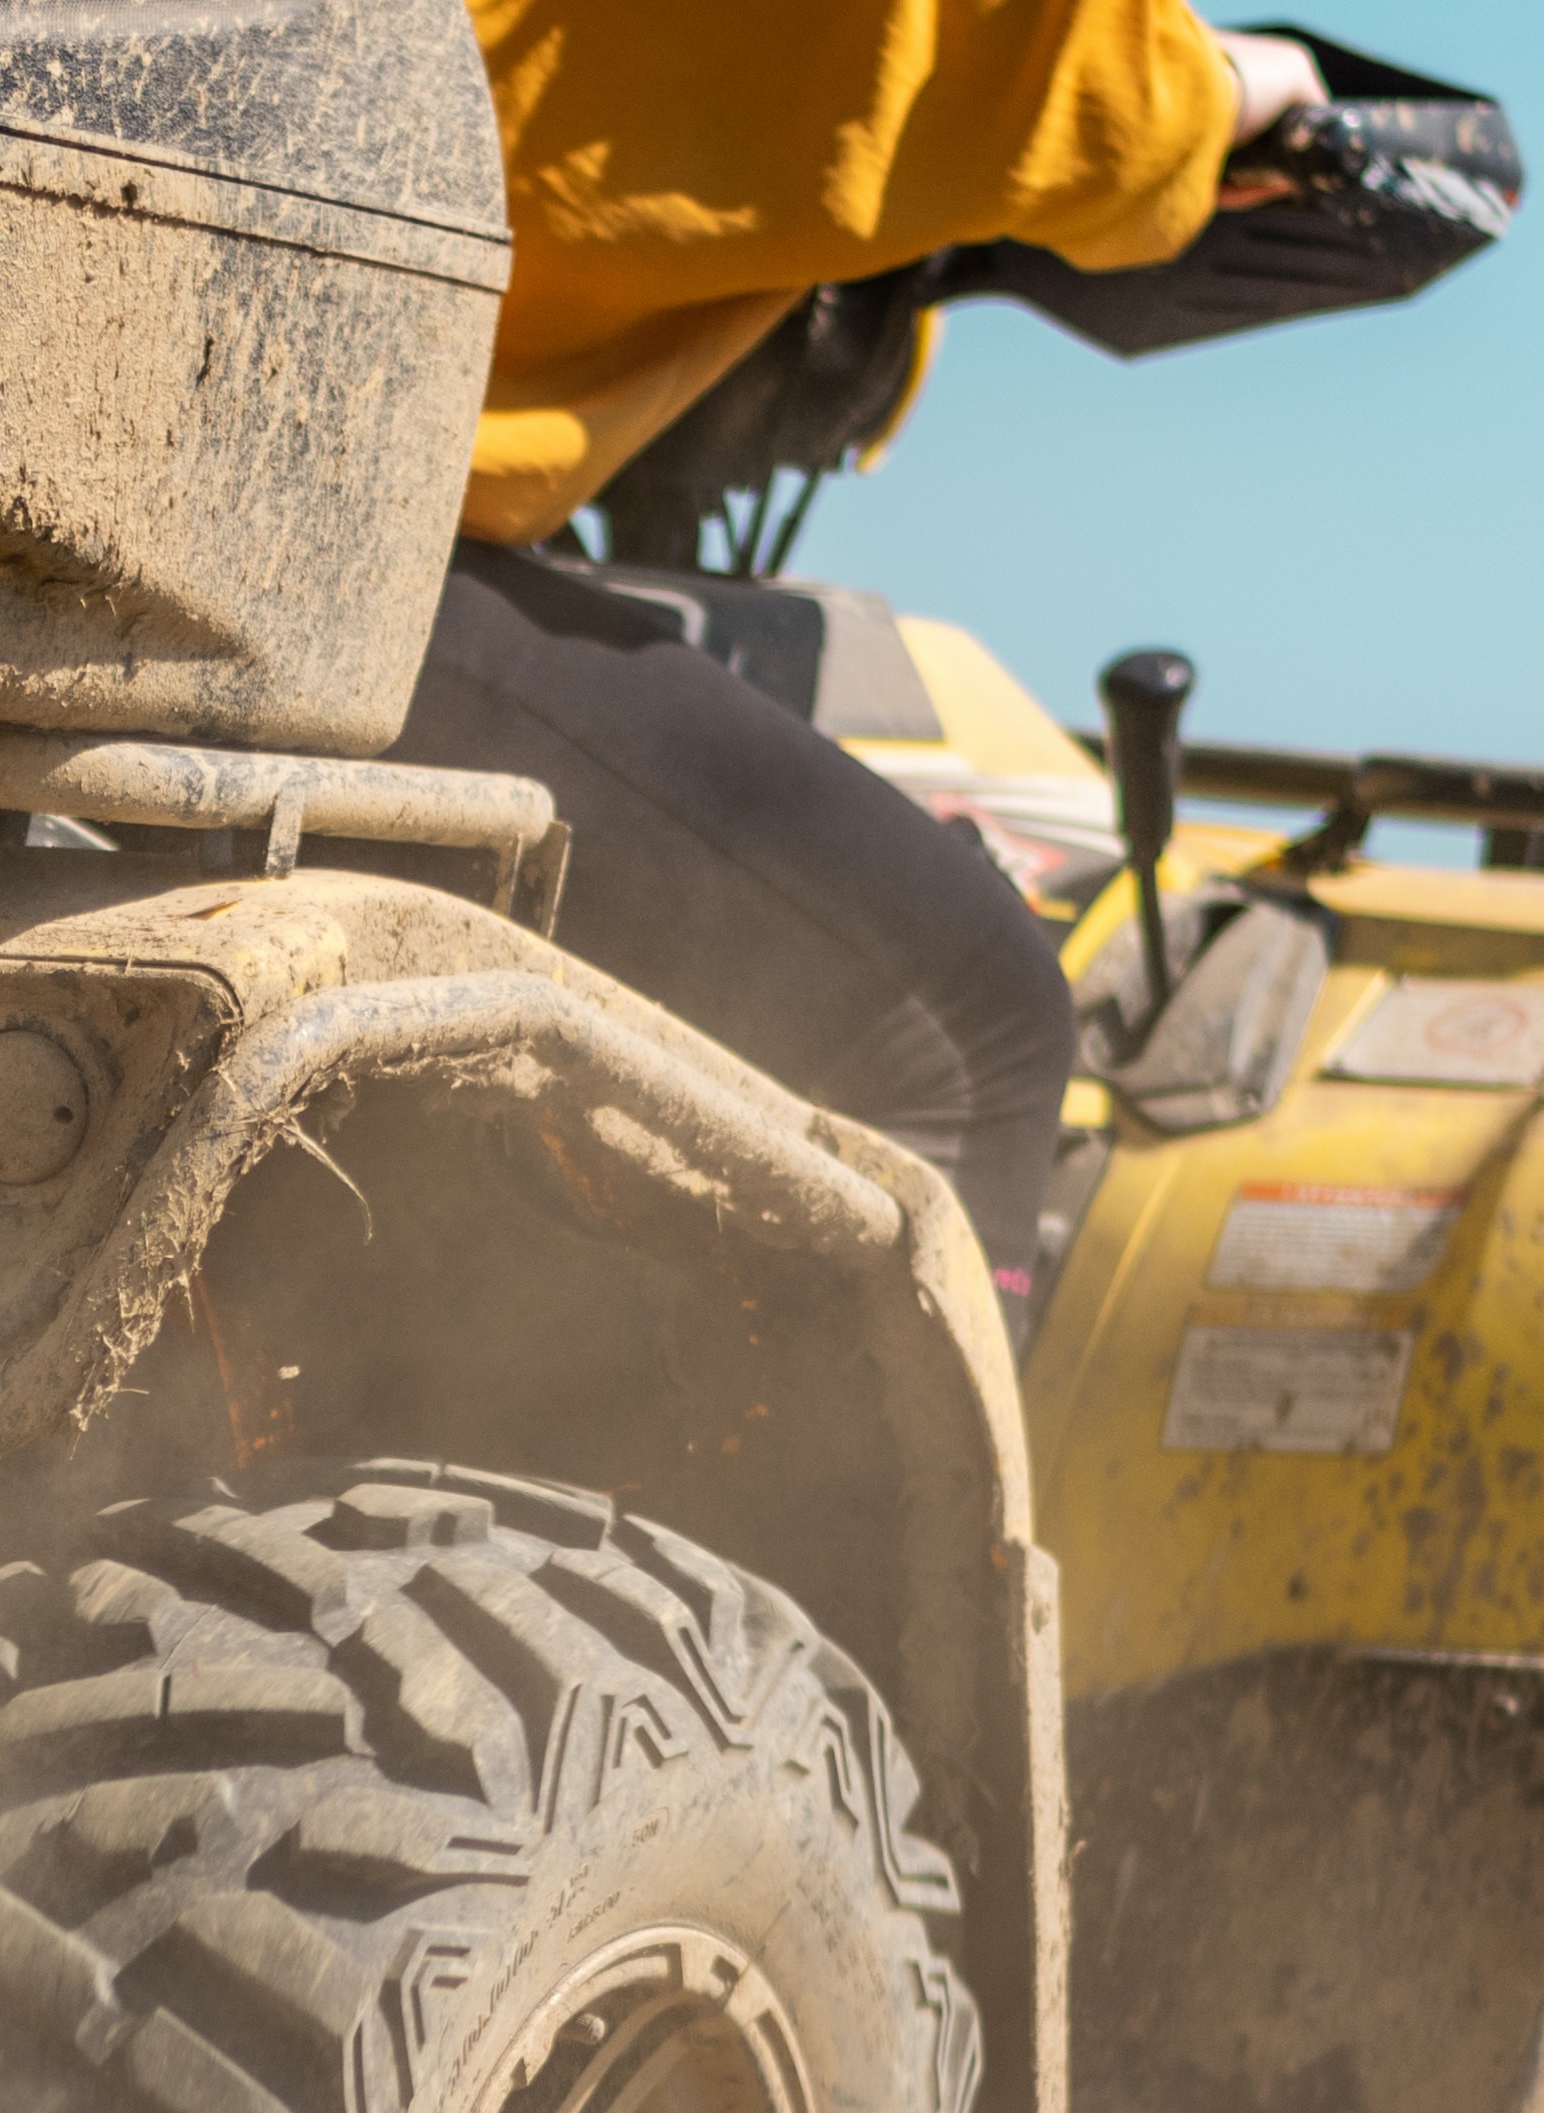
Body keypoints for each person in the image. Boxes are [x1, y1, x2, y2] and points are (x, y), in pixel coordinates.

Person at [399, 4, 1338, 1313]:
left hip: (83, 520)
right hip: (273, 565)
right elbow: (923, 44)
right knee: (967, 1028)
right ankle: (859, 1523)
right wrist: (1207, 93)